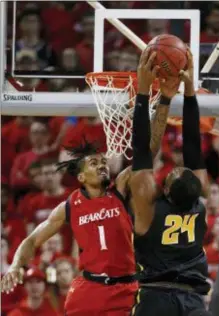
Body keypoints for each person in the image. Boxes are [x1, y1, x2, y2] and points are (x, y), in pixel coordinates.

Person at [1, 52, 176, 314]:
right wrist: (16, 265)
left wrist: (163, 99)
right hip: (88, 289)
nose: (102, 164)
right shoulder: (70, 206)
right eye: (94, 163)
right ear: (81, 177)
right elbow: (32, 240)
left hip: (125, 289)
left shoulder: (121, 189)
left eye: (103, 161)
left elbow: (148, 151)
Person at [129, 48, 210, 316]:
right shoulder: (198, 203)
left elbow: (141, 149)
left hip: (156, 297)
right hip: (192, 301)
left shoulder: (148, 208)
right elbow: (193, 147)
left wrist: (143, 90)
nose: (178, 166)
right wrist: (188, 92)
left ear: (164, 189)